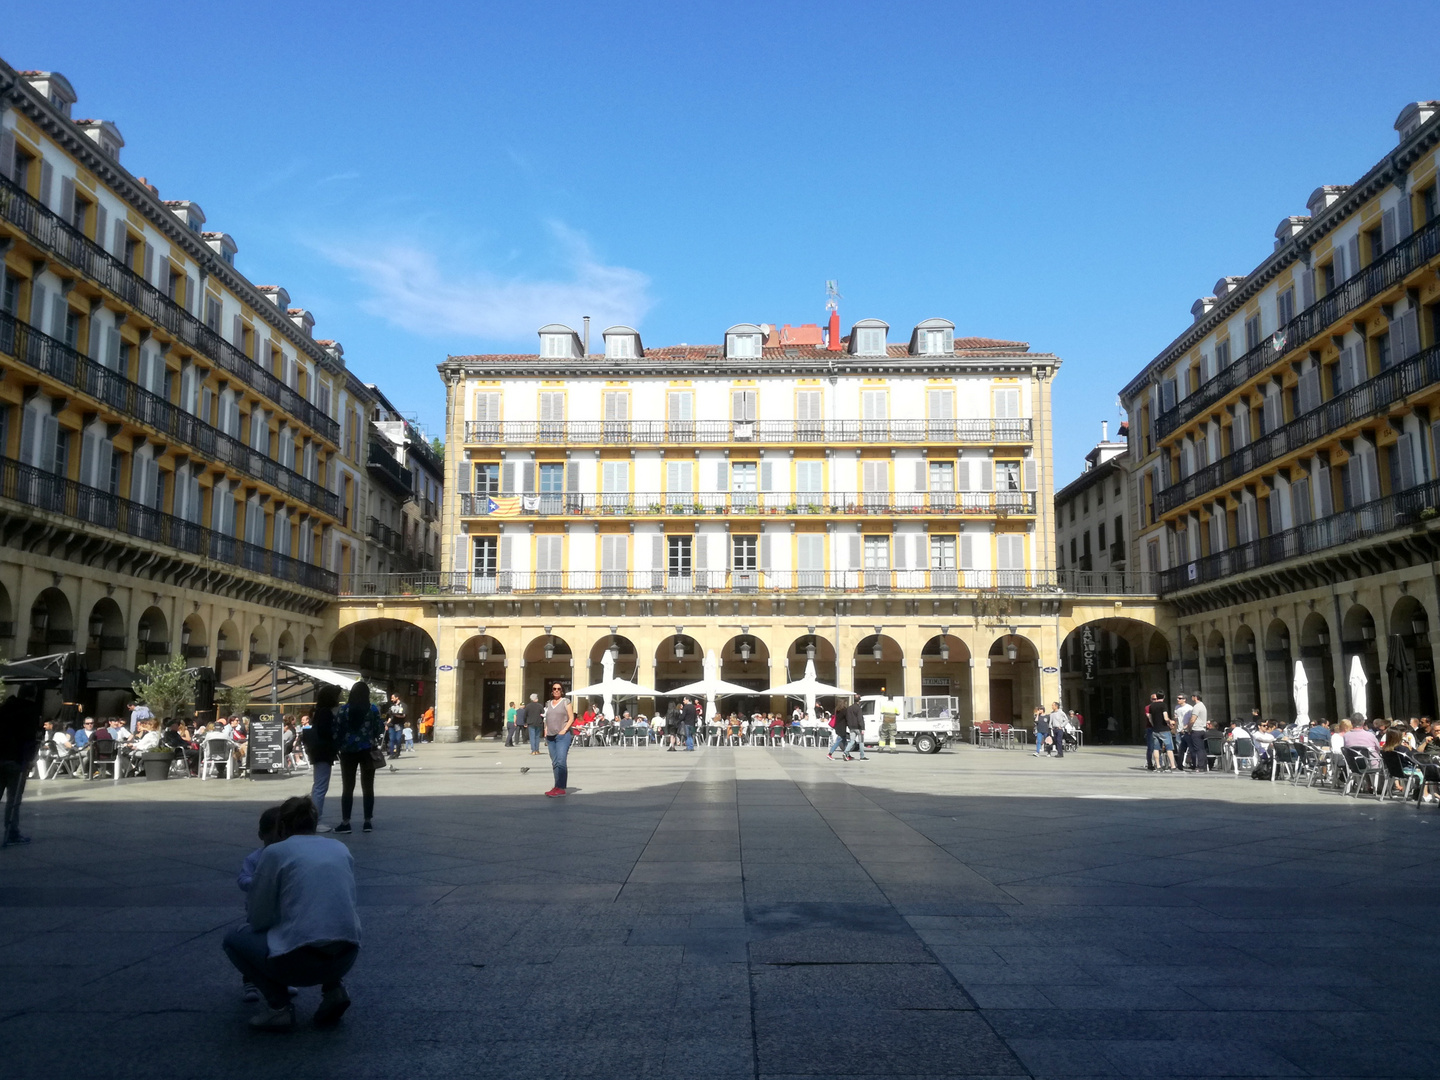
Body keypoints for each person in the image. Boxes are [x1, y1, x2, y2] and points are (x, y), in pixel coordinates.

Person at [222, 796, 360, 1031]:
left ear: (282, 827)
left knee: (233, 940)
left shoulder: (275, 852)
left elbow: (259, 916)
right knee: (324, 920)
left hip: (299, 961)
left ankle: (279, 1007)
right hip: (347, 954)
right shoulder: (340, 847)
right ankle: (334, 989)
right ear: (314, 824)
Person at [237, 805, 285, 1003]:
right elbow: (242, 880)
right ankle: (250, 980)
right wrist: (256, 882)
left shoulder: (286, 856)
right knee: (256, 945)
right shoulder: (254, 859)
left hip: (281, 912)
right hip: (257, 910)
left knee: (279, 947)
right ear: (261, 836)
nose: (275, 845)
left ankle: (281, 980)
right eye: (271, 840)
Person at [334, 683, 383, 834]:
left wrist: (338, 746)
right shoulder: (372, 709)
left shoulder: (344, 710)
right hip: (367, 750)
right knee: (368, 786)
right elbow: (378, 728)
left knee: (348, 787)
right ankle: (367, 821)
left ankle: (346, 822)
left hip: (348, 752)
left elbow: (337, 729)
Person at [1, 685, 43, 847]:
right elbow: (30, 738)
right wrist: (30, 759)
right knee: (13, 799)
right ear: (33, 696)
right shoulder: (30, 711)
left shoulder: (4, 708)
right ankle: (11, 833)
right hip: (17, 759)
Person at [303, 685, 341, 831]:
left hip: (319, 752)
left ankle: (315, 819)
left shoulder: (319, 711)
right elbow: (326, 732)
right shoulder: (326, 713)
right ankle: (317, 821)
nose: (338, 699)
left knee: (318, 785)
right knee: (320, 786)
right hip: (323, 752)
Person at [542, 682, 574, 797]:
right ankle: (556, 786)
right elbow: (547, 718)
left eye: (558, 689)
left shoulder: (566, 702)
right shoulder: (548, 703)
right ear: (552, 690)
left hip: (562, 736)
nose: (556, 690)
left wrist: (564, 730)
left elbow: (571, 718)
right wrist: (545, 729)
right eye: (554, 689)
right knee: (555, 762)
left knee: (561, 761)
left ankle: (561, 787)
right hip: (550, 736)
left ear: (562, 691)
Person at [1145, 691, 1175, 771]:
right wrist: (1170, 722)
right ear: (1164, 697)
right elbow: (1165, 717)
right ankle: (1173, 766)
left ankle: (1158, 766)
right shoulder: (1163, 705)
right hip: (1164, 729)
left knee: (1156, 748)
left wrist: (1153, 725)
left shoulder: (1151, 706)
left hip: (1155, 730)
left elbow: (1150, 718)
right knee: (1169, 748)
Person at [1186, 692, 1209, 772]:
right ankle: (1204, 766)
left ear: (1195, 697)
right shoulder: (1202, 706)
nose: (1191, 698)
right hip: (1202, 729)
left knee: (1198, 749)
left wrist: (1189, 728)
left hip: (1196, 729)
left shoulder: (1197, 706)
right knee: (1202, 749)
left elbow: (1193, 719)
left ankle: (1200, 766)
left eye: (1192, 696)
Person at [385, 694, 406, 762]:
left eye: (393, 698)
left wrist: (396, 715)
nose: (391, 699)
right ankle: (392, 754)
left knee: (398, 739)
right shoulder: (391, 706)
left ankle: (397, 752)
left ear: (397, 698)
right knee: (391, 739)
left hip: (399, 724)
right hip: (391, 725)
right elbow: (390, 717)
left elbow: (403, 715)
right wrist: (387, 724)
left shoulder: (403, 705)